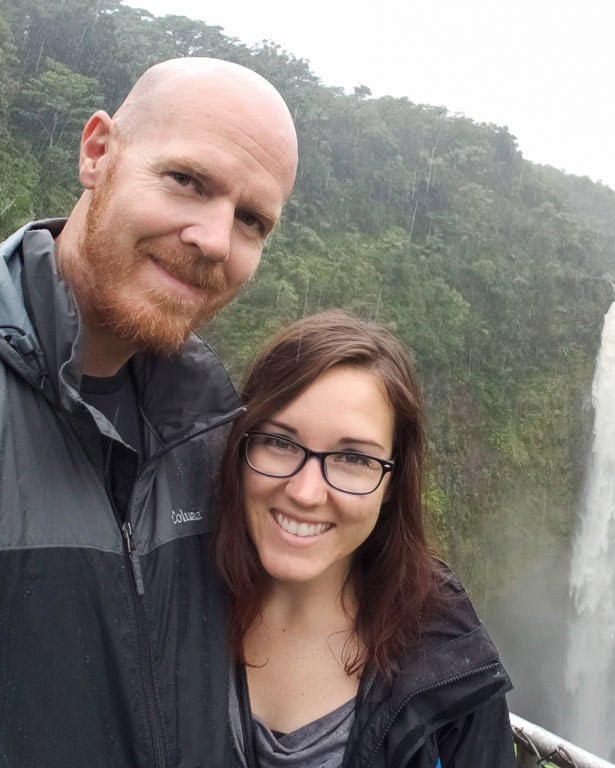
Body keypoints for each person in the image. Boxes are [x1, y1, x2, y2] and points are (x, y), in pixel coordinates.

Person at [0, 57, 298, 766]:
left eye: (252, 220)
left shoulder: (221, 438)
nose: (214, 241)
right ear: (97, 152)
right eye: (187, 181)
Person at [214, 309, 516, 767]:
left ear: (393, 480)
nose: (306, 492)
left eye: (353, 458)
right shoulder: (168, 602)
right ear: (240, 445)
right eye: (279, 442)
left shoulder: (450, 661)